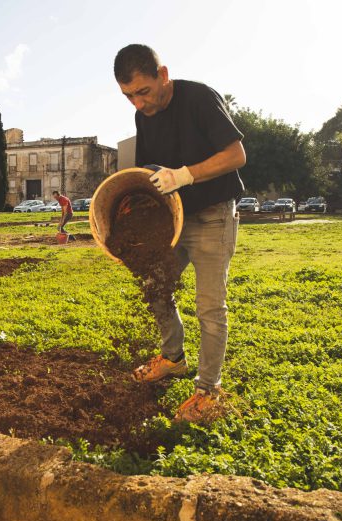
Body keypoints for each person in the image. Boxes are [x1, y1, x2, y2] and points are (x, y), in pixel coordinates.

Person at [114, 44, 246, 423]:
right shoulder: (144, 116)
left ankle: (208, 391)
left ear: (164, 75)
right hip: (174, 219)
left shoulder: (200, 98)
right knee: (155, 285)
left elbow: (236, 155)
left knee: (210, 307)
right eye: (128, 97)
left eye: (143, 91)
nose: (138, 104)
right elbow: (150, 173)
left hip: (213, 216)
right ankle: (173, 359)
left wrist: (185, 174)